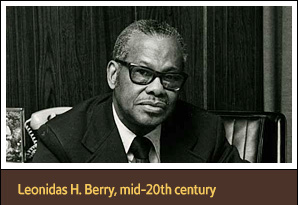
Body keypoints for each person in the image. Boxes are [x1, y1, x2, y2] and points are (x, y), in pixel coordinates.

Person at [32, 20, 246, 163]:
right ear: (113, 75)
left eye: (170, 77)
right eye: (142, 73)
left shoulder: (206, 132)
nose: (157, 89)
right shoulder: (60, 140)